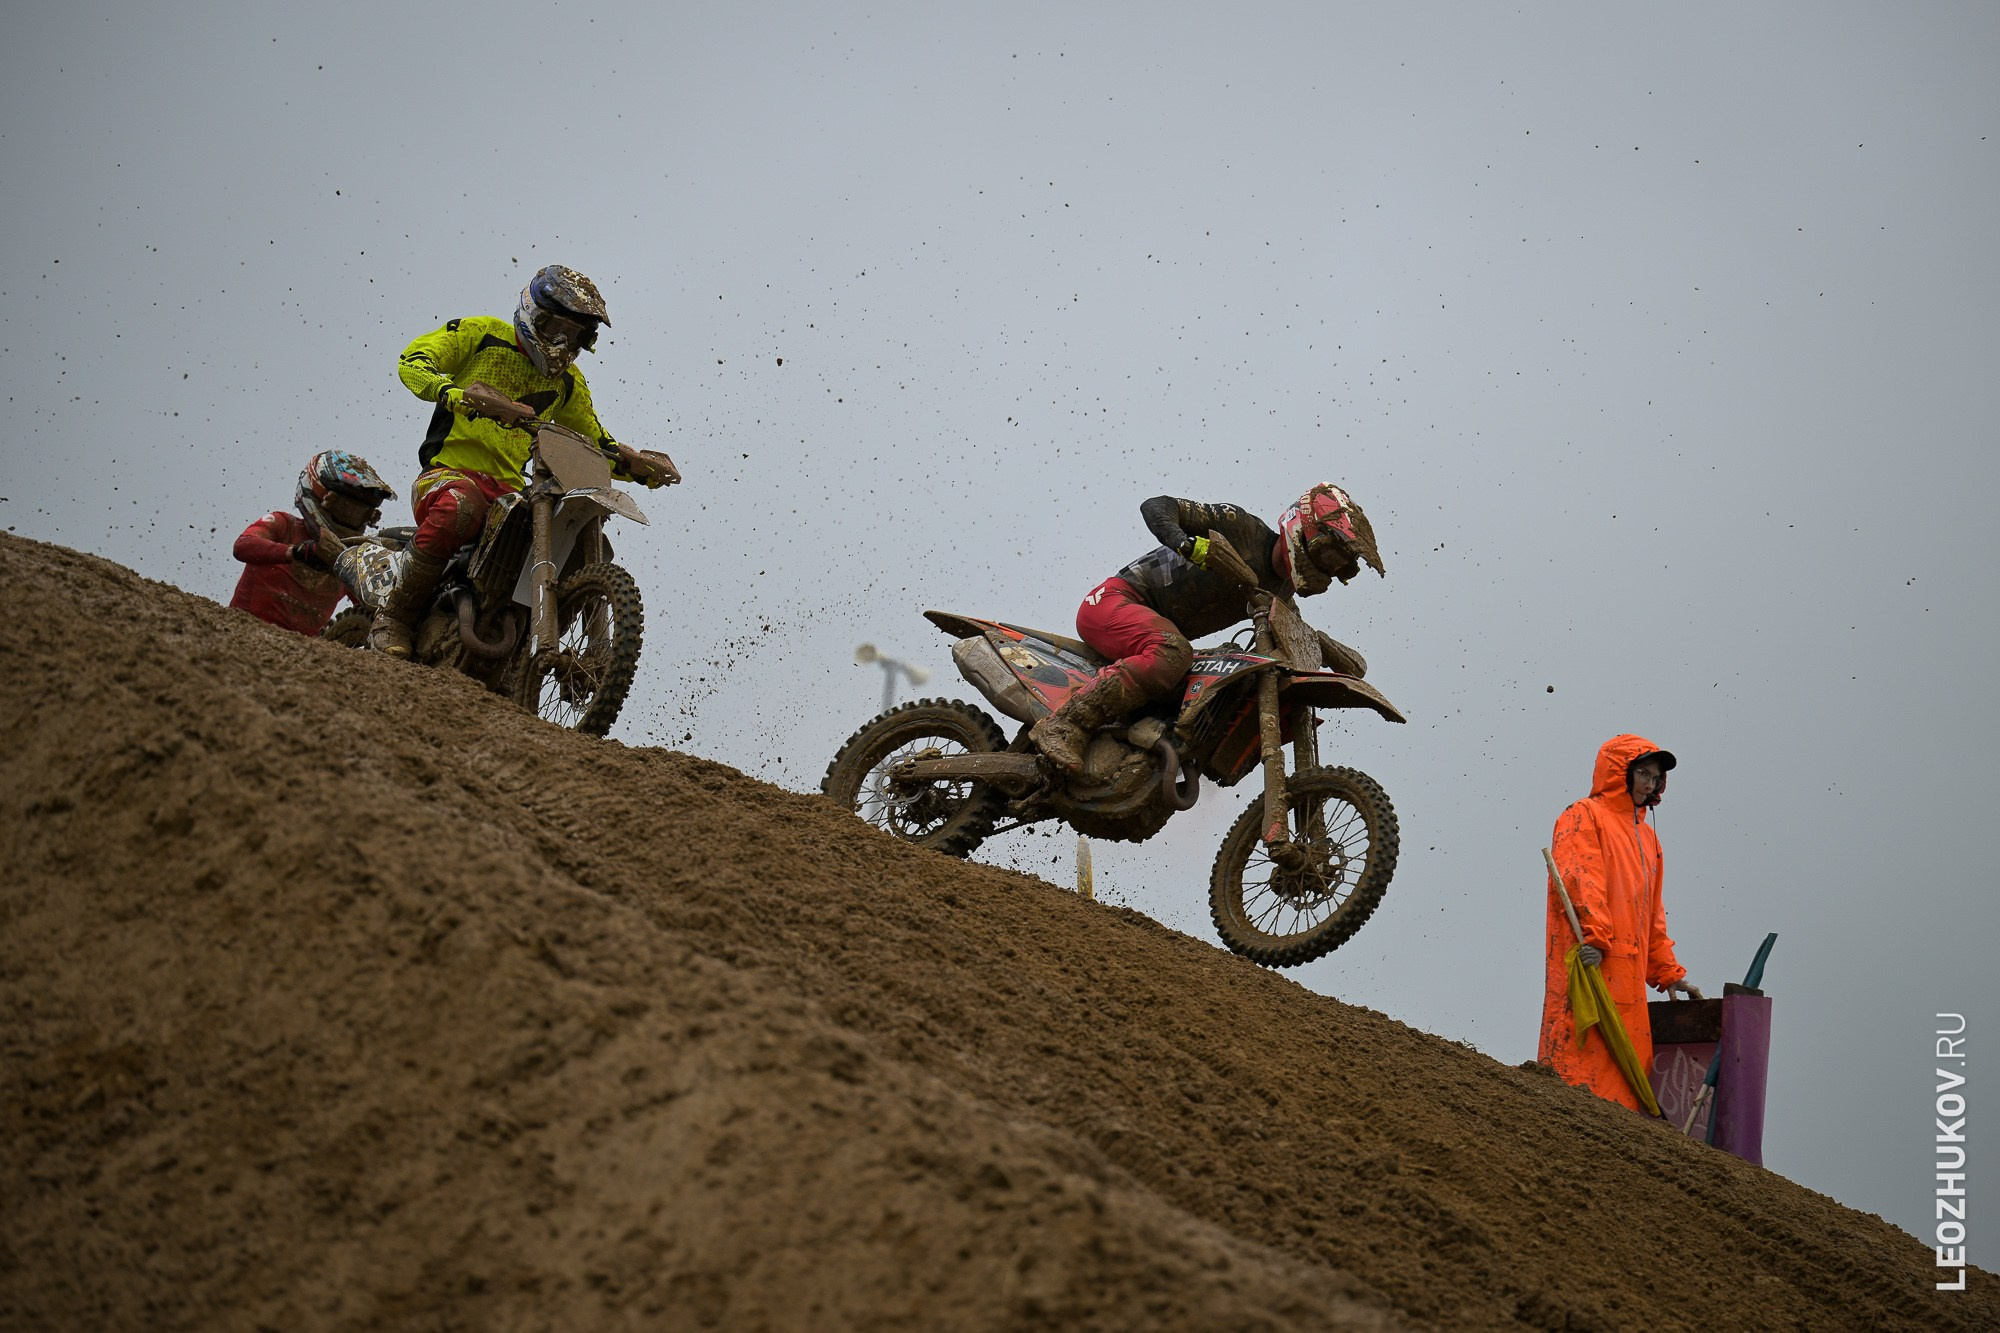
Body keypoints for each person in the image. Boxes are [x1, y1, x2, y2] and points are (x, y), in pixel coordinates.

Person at [368, 264, 671, 657]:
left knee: (575, 540)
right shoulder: (482, 334)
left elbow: (594, 441)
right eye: (556, 330)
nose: (564, 345)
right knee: (460, 507)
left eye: (577, 336)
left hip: (510, 495)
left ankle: (527, 657)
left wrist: (639, 467)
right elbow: (413, 360)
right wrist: (450, 392)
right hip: (448, 476)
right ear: (532, 314)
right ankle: (394, 617)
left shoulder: (568, 383)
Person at [1030, 484, 1383, 773]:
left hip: (1158, 634)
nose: (1330, 568)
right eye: (1329, 555)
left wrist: (1328, 652)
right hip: (1116, 601)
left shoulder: (1280, 592)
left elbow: (1287, 634)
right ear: (1302, 530)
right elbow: (1157, 505)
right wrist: (1185, 542)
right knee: (1173, 654)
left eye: (1339, 566)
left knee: (1221, 673)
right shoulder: (1240, 527)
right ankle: (1066, 724)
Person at [1539, 734, 1704, 1112]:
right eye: (1642, 773)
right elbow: (1581, 879)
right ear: (1619, 774)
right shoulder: (1583, 814)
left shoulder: (1648, 837)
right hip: (1590, 959)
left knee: (1625, 1077)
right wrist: (1595, 939)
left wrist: (1667, 971)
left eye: (1656, 776)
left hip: (1628, 971)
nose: (1649, 783)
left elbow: (1652, 913)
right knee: (1583, 1060)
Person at [229, 450, 396, 636]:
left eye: (359, 513)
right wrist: (296, 552)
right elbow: (243, 545)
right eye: (343, 507)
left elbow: (368, 601)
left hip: (300, 653)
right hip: (241, 631)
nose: (348, 517)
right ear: (320, 496)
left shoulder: (346, 557)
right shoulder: (284, 524)